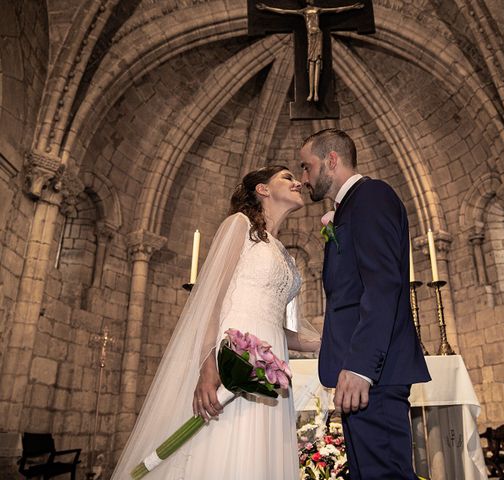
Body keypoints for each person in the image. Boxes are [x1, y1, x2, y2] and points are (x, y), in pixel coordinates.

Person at [112, 165, 320, 479]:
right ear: (262, 189)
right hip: (231, 357)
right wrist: (208, 365)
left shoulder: (283, 253)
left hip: (269, 368)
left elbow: (272, 323)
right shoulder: (240, 226)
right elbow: (211, 300)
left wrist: (320, 342)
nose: (297, 183)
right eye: (287, 178)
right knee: (224, 447)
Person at [300, 128, 431, 480]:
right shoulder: (348, 210)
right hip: (364, 377)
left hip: (375, 375)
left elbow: (383, 285)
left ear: (332, 160)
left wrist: (360, 367)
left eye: (307, 167)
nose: (304, 178)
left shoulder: (372, 196)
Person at [256, 0, 364, 102]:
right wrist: (267, 8)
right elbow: (284, 12)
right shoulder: (303, 11)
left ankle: (316, 93)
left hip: (317, 36)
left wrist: (352, 7)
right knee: (311, 64)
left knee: (317, 62)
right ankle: (311, 93)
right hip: (310, 37)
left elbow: (336, 10)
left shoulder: (318, 9)